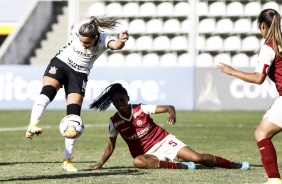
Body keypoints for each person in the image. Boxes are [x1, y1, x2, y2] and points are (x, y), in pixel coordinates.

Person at [25, 16, 129, 172]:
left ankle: (67, 161)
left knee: (73, 117)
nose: (83, 44)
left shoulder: (103, 39)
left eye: (87, 42)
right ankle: (32, 125)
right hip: (61, 63)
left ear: (95, 38)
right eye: (80, 41)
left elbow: (115, 45)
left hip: (79, 74)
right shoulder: (78, 28)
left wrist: (121, 41)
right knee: (48, 91)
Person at [88, 83, 250, 171]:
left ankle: (234, 164)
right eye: (116, 102)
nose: (119, 104)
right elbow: (111, 146)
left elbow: (168, 107)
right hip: (148, 155)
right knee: (137, 161)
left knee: (198, 158)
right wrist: (100, 163)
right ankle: (179, 166)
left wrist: (172, 115)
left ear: (127, 98)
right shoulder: (114, 122)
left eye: (122, 100)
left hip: (164, 142)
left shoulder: (141, 109)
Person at [217, 8, 282, 184]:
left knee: (261, 133)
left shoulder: (269, 48)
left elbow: (258, 78)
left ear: (262, 26)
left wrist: (232, 71)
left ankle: (274, 180)